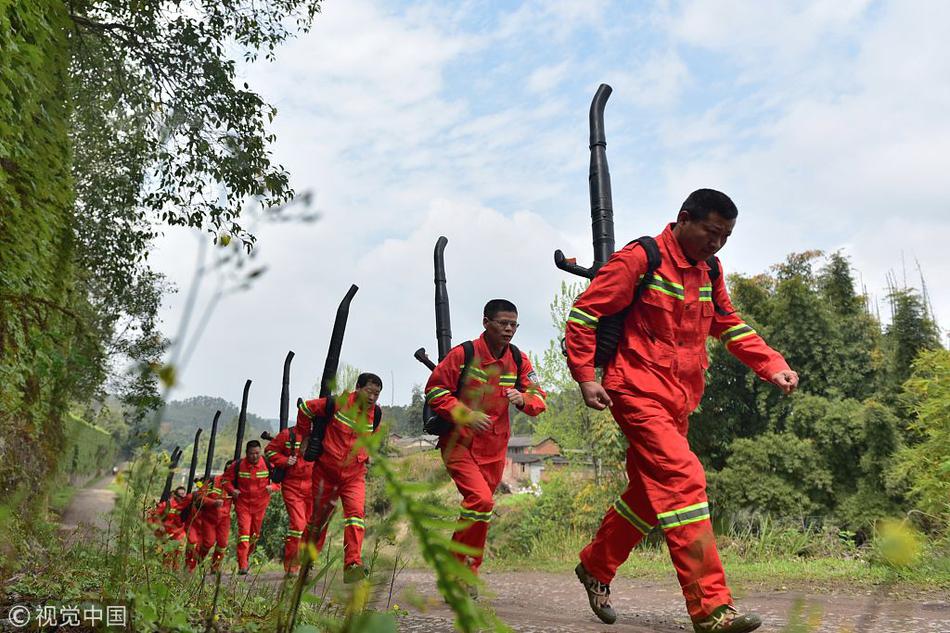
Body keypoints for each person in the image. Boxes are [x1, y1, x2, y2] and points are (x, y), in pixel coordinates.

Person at [565, 189, 799, 633]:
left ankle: (596, 565)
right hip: (634, 391)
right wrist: (585, 375)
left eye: (725, 237)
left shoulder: (709, 269)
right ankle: (711, 608)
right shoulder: (641, 258)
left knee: (650, 496)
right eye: (711, 232)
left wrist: (773, 365)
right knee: (683, 477)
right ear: (683, 219)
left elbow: (728, 323)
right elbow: (584, 314)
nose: (716, 243)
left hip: (679, 399)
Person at [424, 299, 547, 596]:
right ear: (485, 323)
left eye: (513, 324)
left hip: (495, 447)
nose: (508, 329)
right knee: (482, 502)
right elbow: (435, 390)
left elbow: (539, 397)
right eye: (502, 323)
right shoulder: (463, 354)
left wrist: (524, 400)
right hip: (459, 444)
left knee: (478, 510)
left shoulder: (518, 359)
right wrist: (464, 413)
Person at [295, 373, 383, 584]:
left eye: (377, 395)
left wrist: (368, 453)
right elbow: (305, 409)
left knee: (356, 515)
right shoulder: (337, 403)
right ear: (358, 388)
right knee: (318, 521)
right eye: (369, 392)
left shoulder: (376, 414)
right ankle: (306, 564)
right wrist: (304, 438)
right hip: (326, 472)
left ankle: (352, 564)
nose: (372, 398)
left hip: (354, 475)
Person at [266, 420, 314, 575]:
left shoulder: (321, 435)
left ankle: (306, 564)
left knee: (310, 528)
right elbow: (270, 451)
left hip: (313, 487)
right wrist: (285, 460)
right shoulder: (288, 434)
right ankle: (291, 566)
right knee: (298, 526)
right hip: (292, 486)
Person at [222, 442, 273, 574]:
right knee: (244, 534)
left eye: (257, 453)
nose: (255, 456)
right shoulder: (238, 465)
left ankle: (246, 556)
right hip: (243, 504)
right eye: (251, 453)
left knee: (254, 536)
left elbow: (279, 479)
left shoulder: (267, 464)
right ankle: (242, 565)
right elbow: (225, 480)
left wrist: (272, 487)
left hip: (260, 505)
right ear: (246, 453)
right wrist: (232, 490)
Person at [197, 462, 234, 573]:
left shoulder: (236, 484)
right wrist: (213, 502)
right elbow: (199, 497)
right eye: (228, 470)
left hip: (224, 519)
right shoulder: (213, 481)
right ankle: (198, 560)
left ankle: (215, 568)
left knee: (222, 544)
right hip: (209, 518)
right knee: (208, 543)